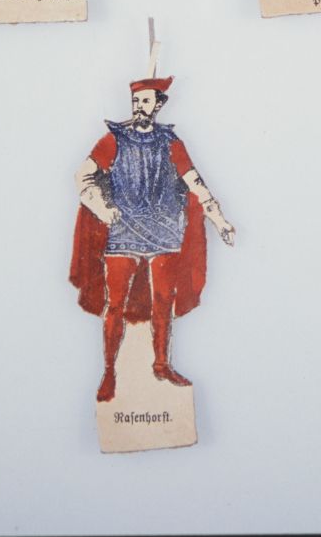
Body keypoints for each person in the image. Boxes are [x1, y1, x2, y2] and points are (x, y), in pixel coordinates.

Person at [68, 76, 235, 403]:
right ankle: (109, 372)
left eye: (145, 101)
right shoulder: (114, 140)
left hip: (164, 232)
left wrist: (219, 220)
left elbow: (195, 183)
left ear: (159, 104)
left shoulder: (172, 143)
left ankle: (161, 364)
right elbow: (82, 176)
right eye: (136, 101)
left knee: (163, 301)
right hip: (124, 232)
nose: (139, 107)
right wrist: (101, 207)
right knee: (115, 304)